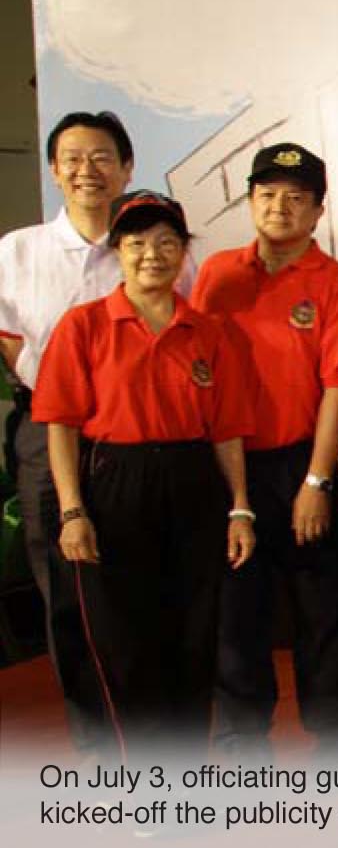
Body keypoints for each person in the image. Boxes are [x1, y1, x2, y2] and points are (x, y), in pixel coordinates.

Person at [0, 112, 196, 758]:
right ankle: (98, 748)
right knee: (69, 592)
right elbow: (9, 341)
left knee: (150, 589)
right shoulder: (17, 251)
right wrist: (59, 392)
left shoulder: (150, 245)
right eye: (73, 158)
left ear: (127, 167)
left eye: (103, 156)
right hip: (47, 429)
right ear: (54, 169)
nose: (88, 170)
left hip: (141, 441)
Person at [31, 192, 254, 756]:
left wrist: (239, 508)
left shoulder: (208, 331)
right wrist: (73, 511)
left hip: (192, 483)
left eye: (166, 242)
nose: (151, 254)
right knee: (124, 640)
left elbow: (227, 430)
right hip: (113, 483)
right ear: (117, 251)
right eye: (136, 243)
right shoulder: (84, 326)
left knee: (193, 634)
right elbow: (60, 425)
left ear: (184, 252)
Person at [191, 143, 338, 757]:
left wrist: (317, 482)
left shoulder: (334, 284)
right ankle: (241, 742)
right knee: (237, 612)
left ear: (318, 210)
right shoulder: (217, 274)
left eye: (296, 197)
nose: (279, 207)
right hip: (230, 466)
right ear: (249, 202)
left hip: (302, 463)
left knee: (325, 611)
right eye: (267, 195)